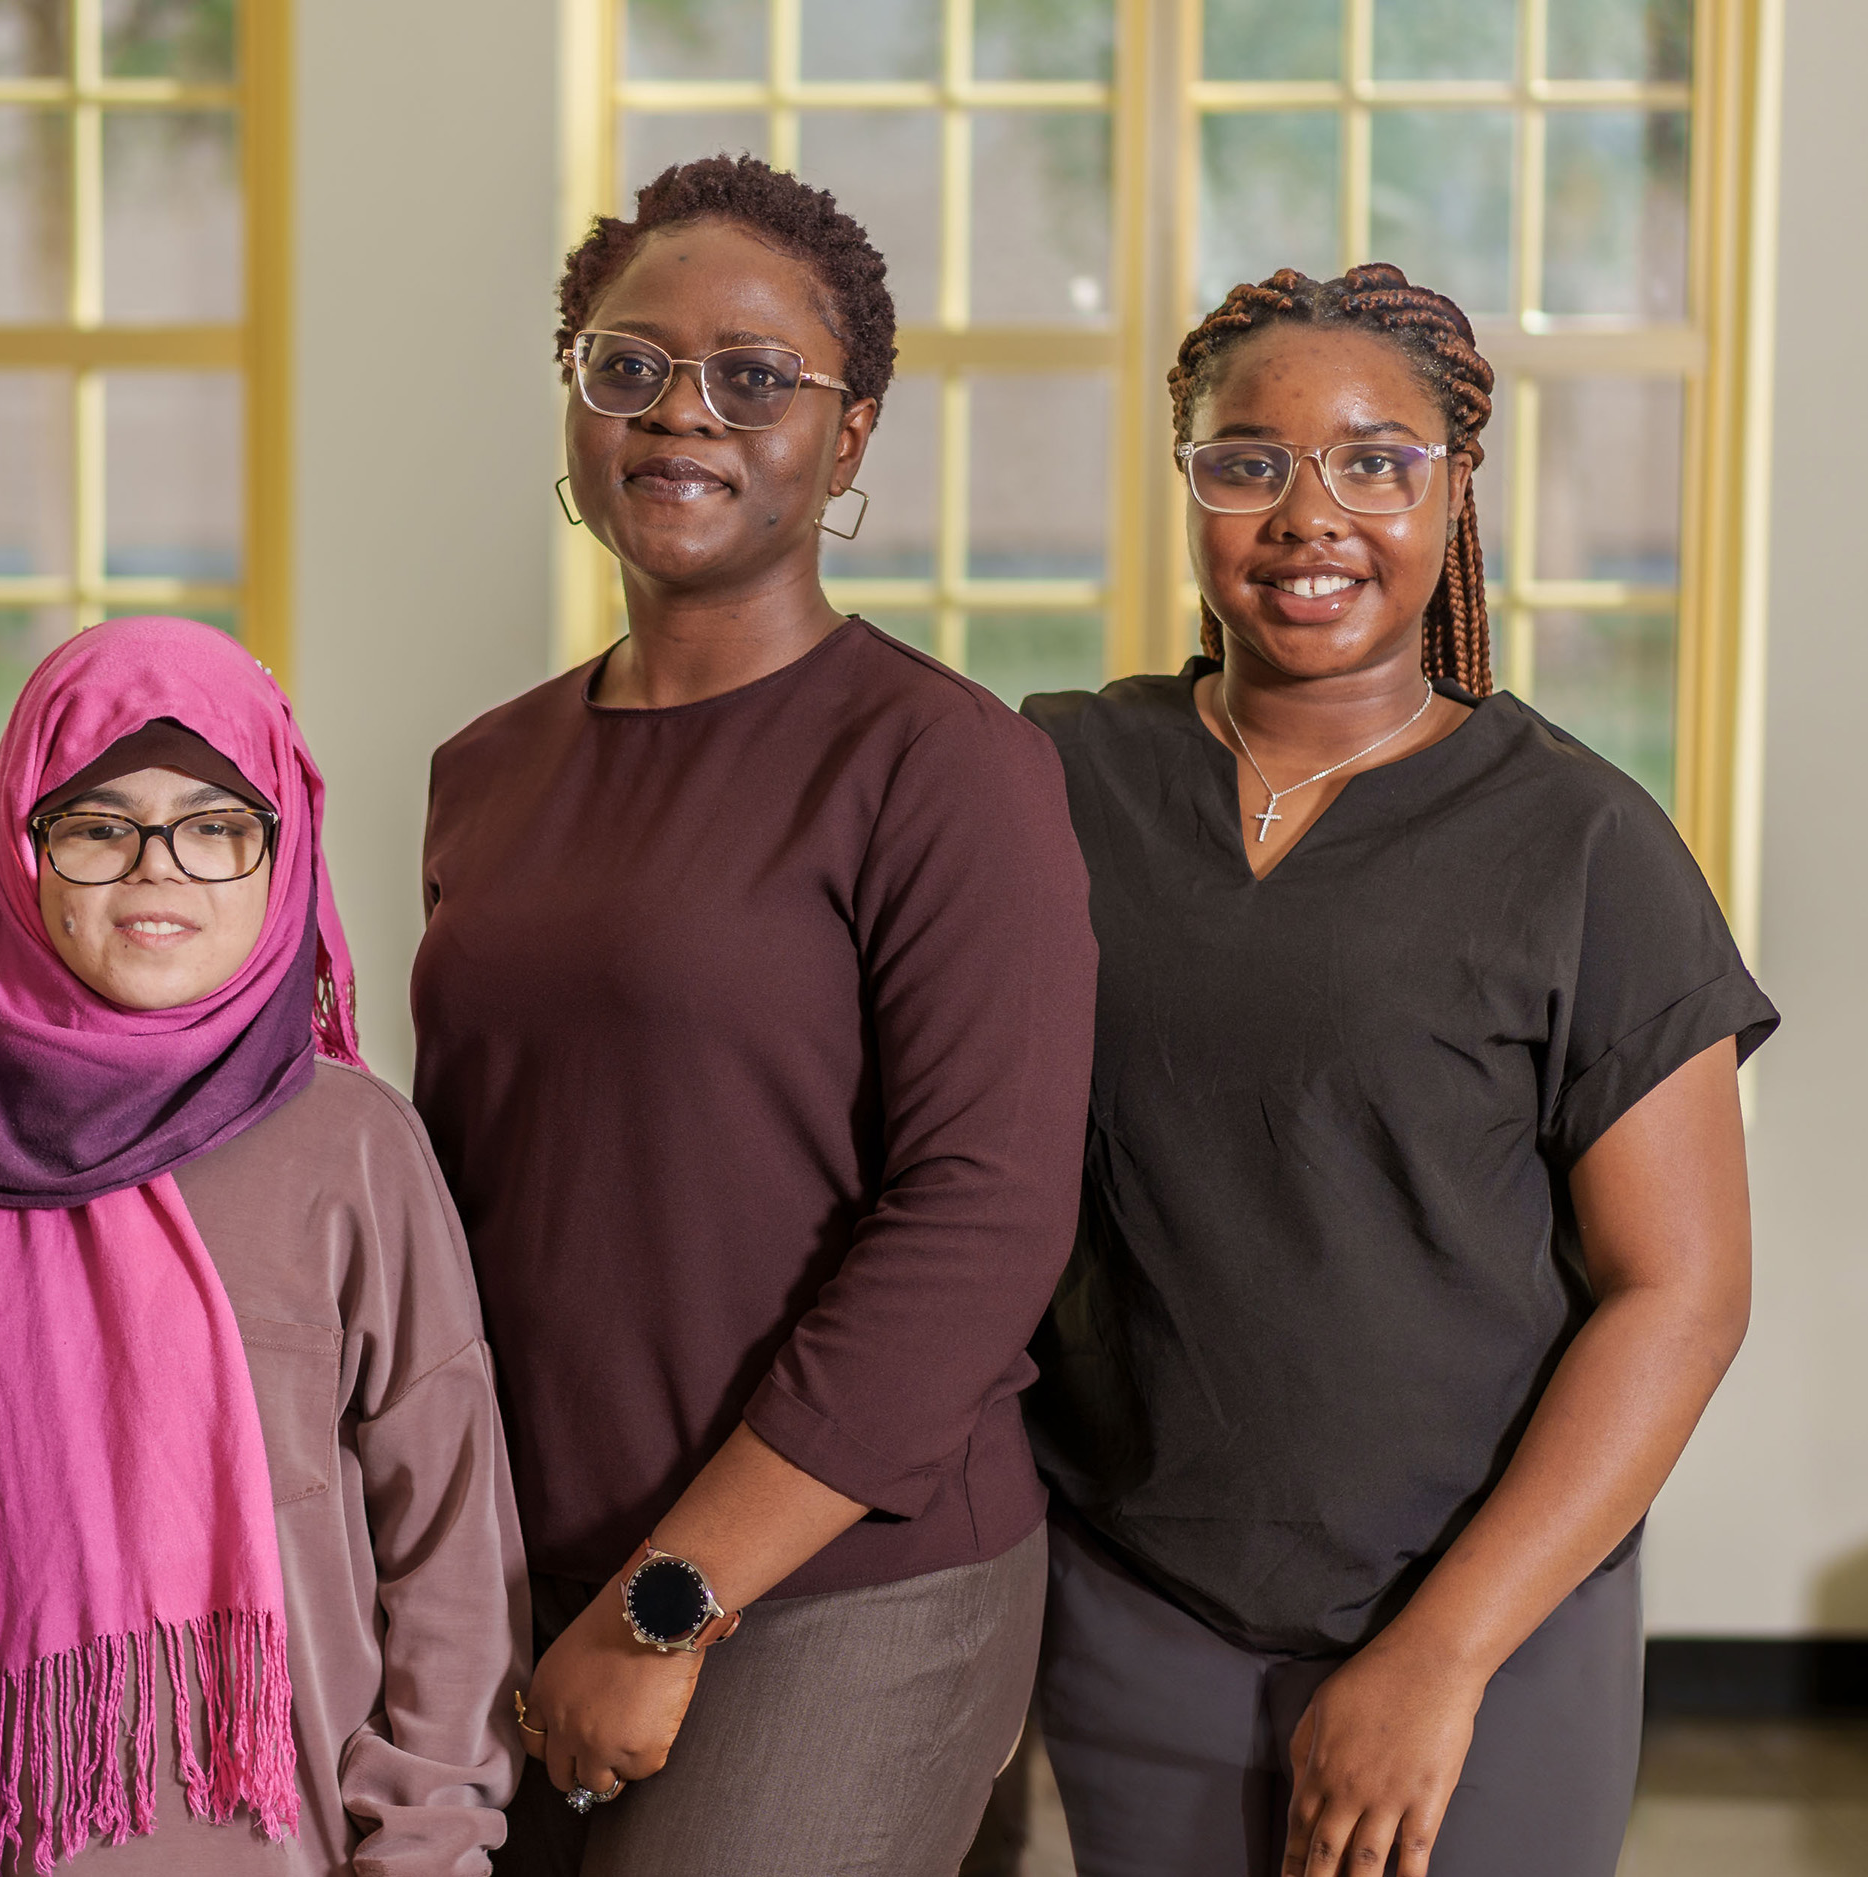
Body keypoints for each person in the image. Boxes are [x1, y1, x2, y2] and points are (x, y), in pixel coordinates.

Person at [1018, 264, 1774, 1877]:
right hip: (1141, 1595)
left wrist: (1438, 1657)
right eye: (1247, 460)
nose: (1311, 514)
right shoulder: (1060, 777)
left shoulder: (1578, 839)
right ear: (1191, 487)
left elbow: (1681, 1290)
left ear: (1453, 492)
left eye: (1376, 460)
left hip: (1488, 1624)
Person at [410, 154, 1100, 1877]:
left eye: (752, 377)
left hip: (839, 1578)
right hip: (523, 1559)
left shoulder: (942, 768)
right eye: (627, 366)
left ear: (849, 436)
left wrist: (669, 1604)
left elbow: (981, 1219)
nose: (678, 415)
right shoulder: (488, 770)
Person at [0, 616, 525, 1876]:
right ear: (22, 846)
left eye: (215, 826)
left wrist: (431, 1841)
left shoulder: (352, 1144)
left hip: (301, 1847)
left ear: (280, 852)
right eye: (97, 825)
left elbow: (446, 1543)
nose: (154, 870)